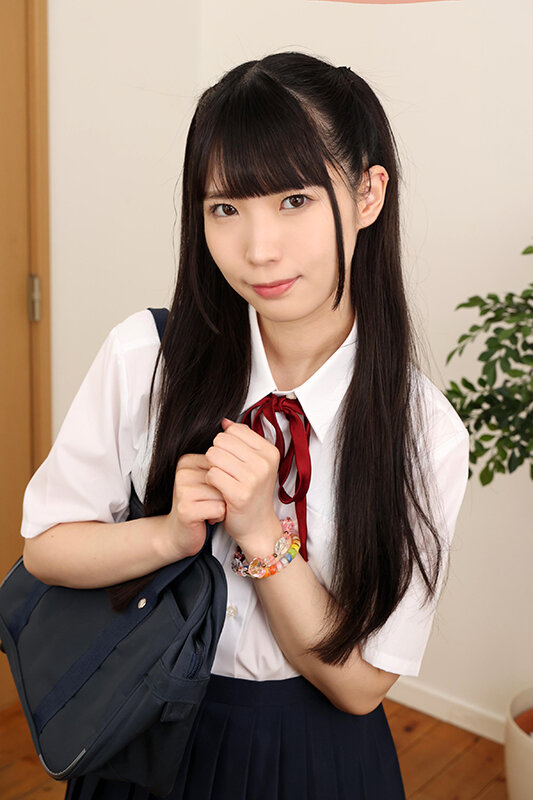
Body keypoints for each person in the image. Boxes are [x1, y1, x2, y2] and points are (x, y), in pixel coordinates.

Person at [21, 52, 469, 799]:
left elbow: (360, 686)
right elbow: (45, 548)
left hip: (314, 757)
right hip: (140, 733)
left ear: (367, 194)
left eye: (294, 200)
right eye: (225, 208)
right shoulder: (146, 356)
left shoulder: (423, 431)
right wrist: (169, 535)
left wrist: (264, 535)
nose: (258, 250)